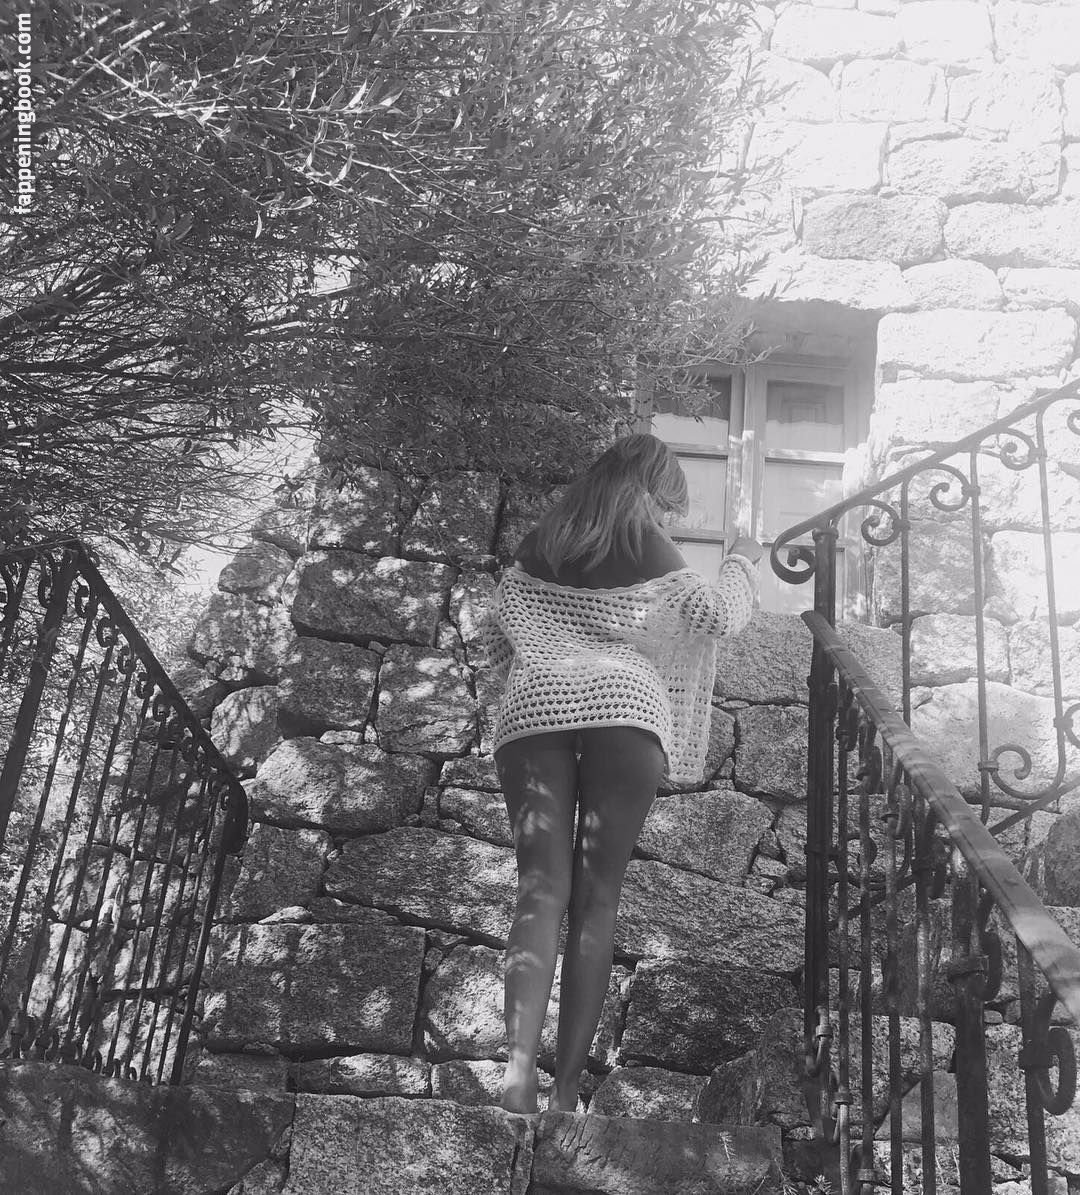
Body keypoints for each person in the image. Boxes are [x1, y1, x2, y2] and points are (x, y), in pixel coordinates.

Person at [481, 432, 762, 1114]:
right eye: (669, 502)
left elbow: (504, 623)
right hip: (623, 710)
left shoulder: (545, 540)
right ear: (653, 488)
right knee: (596, 900)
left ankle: (517, 1076)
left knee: (538, 892)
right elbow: (714, 615)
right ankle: (565, 1093)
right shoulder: (644, 541)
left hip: (535, 707)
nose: (668, 517)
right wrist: (742, 561)